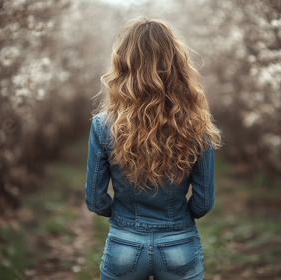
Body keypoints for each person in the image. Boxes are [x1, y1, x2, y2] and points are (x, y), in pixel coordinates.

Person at [85, 17, 222, 280]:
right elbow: (203, 203)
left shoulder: (104, 125)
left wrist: (123, 216)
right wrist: (178, 217)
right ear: (178, 65)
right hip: (179, 245)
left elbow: (95, 199)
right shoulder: (197, 125)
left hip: (123, 246)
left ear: (124, 64)